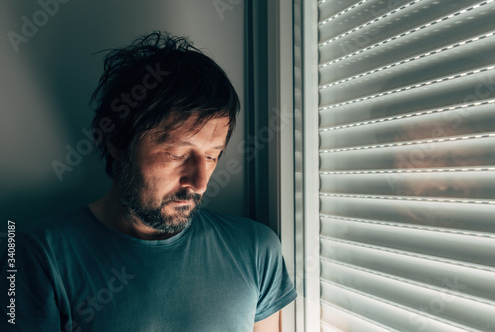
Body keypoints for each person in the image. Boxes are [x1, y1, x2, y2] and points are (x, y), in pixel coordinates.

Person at [0, 31, 296, 332]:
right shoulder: (32, 253)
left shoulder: (257, 250)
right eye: (178, 154)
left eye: (211, 156)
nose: (199, 182)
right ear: (116, 141)